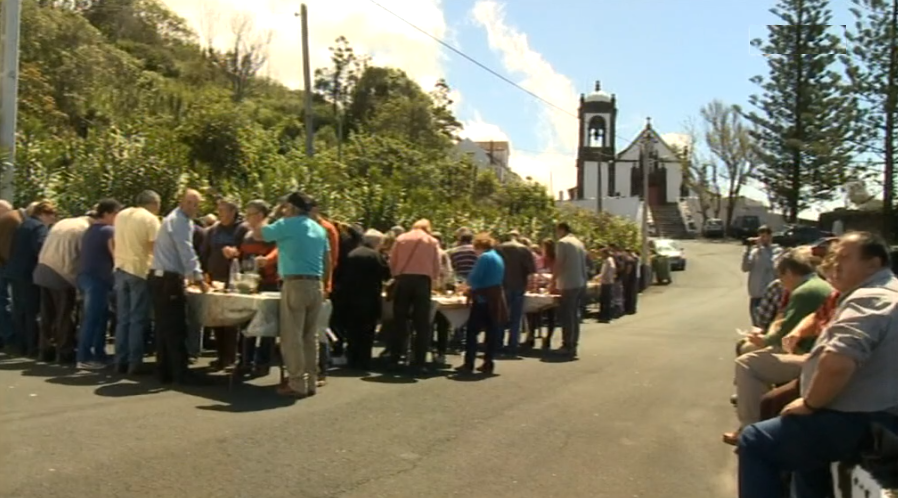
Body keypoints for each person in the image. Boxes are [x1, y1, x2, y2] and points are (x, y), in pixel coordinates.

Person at [737, 232, 898, 497]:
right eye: (834, 258)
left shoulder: (870, 299)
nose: (836, 264)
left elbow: (838, 363)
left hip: (862, 419)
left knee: (756, 441)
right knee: (806, 457)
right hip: (869, 415)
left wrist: (809, 403)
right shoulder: (879, 292)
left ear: (874, 263)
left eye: (845, 257)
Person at [255, 191, 329, 398]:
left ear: (293, 207)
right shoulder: (319, 229)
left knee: (292, 336)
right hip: (316, 283)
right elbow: (327, 259)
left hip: (294, 282)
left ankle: (297, 382)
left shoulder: (288, 224)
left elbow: (259, 233)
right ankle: (311, 379)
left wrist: (273, 213)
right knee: (310, 335)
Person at [149, 189, 208, 385]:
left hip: (160, 278)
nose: (193, 208)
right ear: (181, 202)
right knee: (176, 327)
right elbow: (186, 250)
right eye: (190, 203)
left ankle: (164, 371)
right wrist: (198, 278)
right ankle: (179, 373)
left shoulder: (172, 218)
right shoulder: (180, 221)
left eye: (196, 204)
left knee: (164, 327)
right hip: (168, 279)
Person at [33, 212, 93, 364]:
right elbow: (83, 256)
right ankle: (64, 351)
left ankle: (44, 350)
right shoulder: (84, 229)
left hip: (43, 268)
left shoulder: (64, 222)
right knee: (65, 314)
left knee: (47, 314)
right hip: (62, 273)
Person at [112, 190, 161, 375]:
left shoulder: (122, 215)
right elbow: (155, 248)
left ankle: (120, 359)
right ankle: (134, 362)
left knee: (122, 318)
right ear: (154, 204)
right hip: (139, 269)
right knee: (137, 319)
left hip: (120, 266)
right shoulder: (150, 220)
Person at [200, 198, 248, 371]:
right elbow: (204, 253)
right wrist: (204, 274)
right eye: (218, 210)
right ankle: (222, 356)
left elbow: (249, 252)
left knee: (233, 320)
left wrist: (237, 253)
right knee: (217, 319)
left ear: (233, 211)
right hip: (215, 280)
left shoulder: (242, 229)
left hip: (234, 280)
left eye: (224, 210)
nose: (220, 214)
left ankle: (234, 357)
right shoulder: (213, 231)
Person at [5, 200, 57, 357]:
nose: (54, 218)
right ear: (43, 214)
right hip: (28, 272)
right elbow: (40, 248)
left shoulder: (24, 224)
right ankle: (32, 345)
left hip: (15, 270)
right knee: (31, 310)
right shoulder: (39, 227)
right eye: (52, 215)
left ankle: (21, 344)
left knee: (19, 309)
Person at [389, 219, 441, 371]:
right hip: (422, 282)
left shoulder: (401, 238)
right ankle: (419, 361)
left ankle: (395, 357)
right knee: (422, 322)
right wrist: (434, 279)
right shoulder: (431, 241)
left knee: (399, 319)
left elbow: (392, 262)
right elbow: (436, 266)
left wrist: (396, 275)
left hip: (403, 280)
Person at [76, 199, 122, 370]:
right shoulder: (109, 231)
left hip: (86, 277)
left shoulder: (90, 230)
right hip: (98, 280)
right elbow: (116, 255)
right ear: (109, 213)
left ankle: (99, 355)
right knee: (93, 319)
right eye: (117, 213)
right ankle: (85, 356)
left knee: (99, 318)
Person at [342, 229, 391, 370]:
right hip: (369, 298)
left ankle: (352, 358)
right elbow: (386, 276)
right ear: (376, 242)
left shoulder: (351, 254)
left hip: (351, 297)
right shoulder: (376, 256)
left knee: (352, 329)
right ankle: (364, 360)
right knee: (367, 331)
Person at [458, 232, 506, 375]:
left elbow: (474, 277)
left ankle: (469, 363)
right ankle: (488, 362)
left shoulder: (484, 257)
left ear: (479, 246)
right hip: (495, 296)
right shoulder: (498, 257)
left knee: (472, 331)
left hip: (483, 298)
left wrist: (465, 287)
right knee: (491, 331)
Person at [496, 230, 535, 357]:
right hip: (519, 285)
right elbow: (531, 271)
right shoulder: (524, 249)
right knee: (516, 317)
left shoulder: (500, 248)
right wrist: (531, 286)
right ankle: (513, 344)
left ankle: (498, 342)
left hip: (503, 285)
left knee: (501, 315)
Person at [553, 222, 588, 358]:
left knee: (567, 315)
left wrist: (553, 281)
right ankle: (573, 344)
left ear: (562, 230)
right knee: (574, 315)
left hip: (568, 283)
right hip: (579, 281)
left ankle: (567, 345)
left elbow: (559, 263)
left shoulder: (563, 243)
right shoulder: (578, 243)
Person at [742, 226, 777, 327]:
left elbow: (771, 266)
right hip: (755, 295)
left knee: (765, 326)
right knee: (755, 326)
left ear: (770, 237)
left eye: (765, 236)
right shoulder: (754, 252)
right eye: (760, 237)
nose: (762, 239)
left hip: (768, 296)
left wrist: (762, 250)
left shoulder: (776, 251)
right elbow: (745, 268)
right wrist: (747, 250)